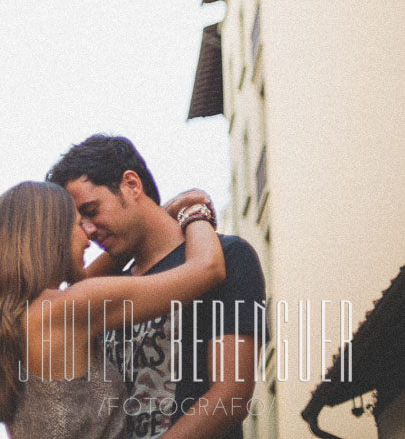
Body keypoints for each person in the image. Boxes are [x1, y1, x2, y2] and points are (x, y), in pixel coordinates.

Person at [45, 134, 266, 439]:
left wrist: (191, 216)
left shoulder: (229, 256)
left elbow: (232, 396)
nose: (89, 230)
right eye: (80, 222)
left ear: (131, 185)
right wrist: (178, 211)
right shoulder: (107, 287)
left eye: (92, 210)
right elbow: (74, 288)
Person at [0, 181, 224, 439]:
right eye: (79, 224)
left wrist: (158, 215)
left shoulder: (14, 319)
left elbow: (84, 282)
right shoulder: (67, 310)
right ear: (52, 234)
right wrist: (196, 213)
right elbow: (208, 268)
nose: (89, 236)